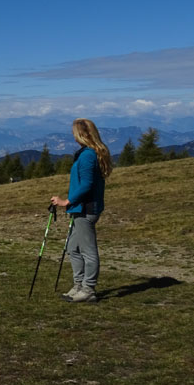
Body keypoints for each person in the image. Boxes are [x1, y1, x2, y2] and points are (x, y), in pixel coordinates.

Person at [50, 118, 113, 303]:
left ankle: (88, 289)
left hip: (86, 209)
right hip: (81, 208)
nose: (72, 135)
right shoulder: (88, 153)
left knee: (87, 250)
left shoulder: (87, 155)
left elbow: (86, 184)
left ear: (81, 134)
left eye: (74, 132)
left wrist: (66, 201)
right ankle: (79, 285)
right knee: (73, 248)